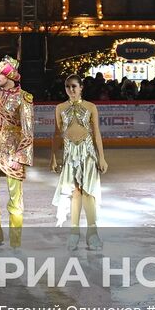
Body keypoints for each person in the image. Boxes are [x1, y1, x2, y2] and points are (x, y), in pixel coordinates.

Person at [0, 56, 34, 248]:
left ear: (9, 75)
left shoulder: (23, 98)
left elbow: (28, 132)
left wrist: (20, 157)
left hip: (14, 153)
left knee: (15, 198)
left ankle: (15, 241)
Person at [51, 74, 107, 251]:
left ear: (81, 87)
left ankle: (93, 233)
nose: (71, 90)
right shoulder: (60, 108)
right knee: (75, 192)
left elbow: (96, 132)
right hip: (69, 153)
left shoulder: (91, 107)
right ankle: (74, 233)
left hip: (88, 152)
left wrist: (102, 157)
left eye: (74, 86)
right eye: (68, 86)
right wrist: (54, 155)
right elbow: (57, 133)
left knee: (88, 192)